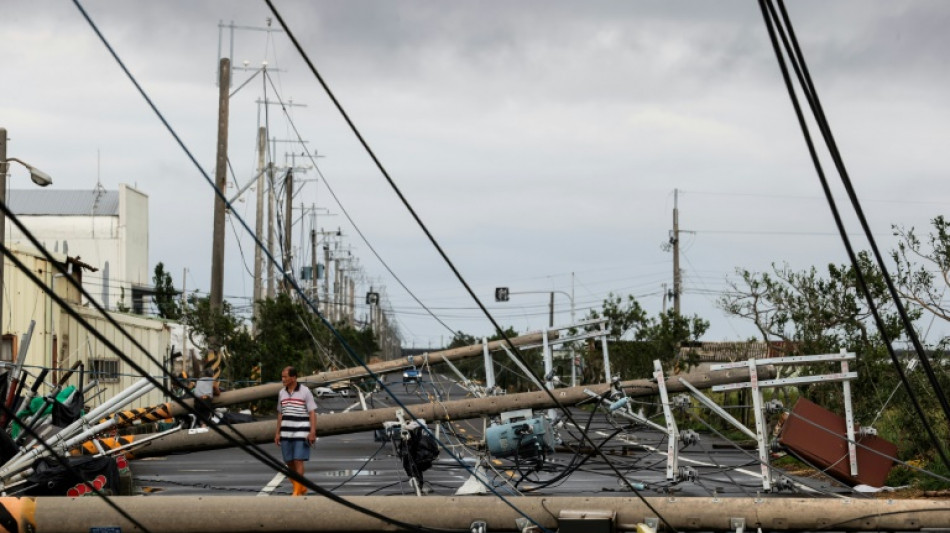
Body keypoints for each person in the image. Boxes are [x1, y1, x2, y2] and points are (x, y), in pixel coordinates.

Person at [274, 366, 317, 496]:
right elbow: (280, 414)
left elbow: (312, 412)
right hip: (286, 431)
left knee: (298, 459)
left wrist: (312, 431)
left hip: (301, 431)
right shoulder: (282, 393)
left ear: (293, 378)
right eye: (282, 377)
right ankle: (300, 486)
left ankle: (297, 490)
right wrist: (277, 432)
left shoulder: (305, 391)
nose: (283, 379)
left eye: (285, 377)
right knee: (289, 461)